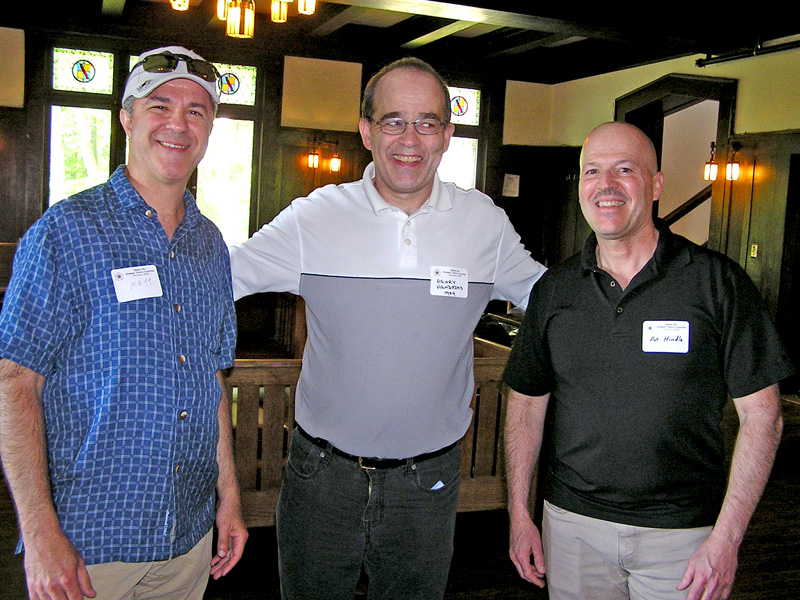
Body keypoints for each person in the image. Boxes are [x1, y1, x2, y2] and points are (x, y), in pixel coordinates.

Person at [229, 57, 546, 600]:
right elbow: (217, 278)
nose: (410, 139)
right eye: (393, 120)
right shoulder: (315, 217)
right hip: (321, 477)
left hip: (429, 483)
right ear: (366, 131)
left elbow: (554, 300)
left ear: (448, 135)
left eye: (427, 122)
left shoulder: (484, 224)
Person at [503, 121, 795, 600]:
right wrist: (520, 514)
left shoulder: (717, 284)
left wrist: (726, 539)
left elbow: (765, 418)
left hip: (684, 537)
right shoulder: (555, 290)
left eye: (625, 170)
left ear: (656, 185)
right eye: (593, 171)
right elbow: (526, 405)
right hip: (572, 527)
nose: (607, 186)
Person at [0, 45, 248, 600]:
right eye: (160, 106)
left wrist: (226, 498)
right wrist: (38, 531)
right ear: (127, 118)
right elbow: (14, 383)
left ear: (209, 129)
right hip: (89, 545)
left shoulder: (210, 245)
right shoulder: (64, 232)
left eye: (196, 112)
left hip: (187, 540)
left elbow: (211, 380)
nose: (178, 125)